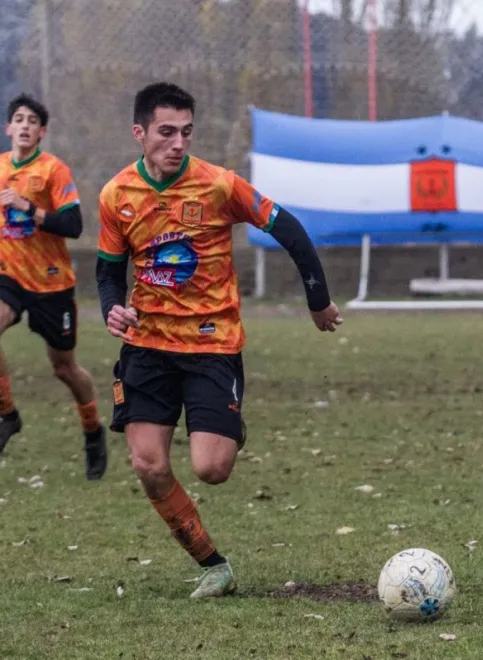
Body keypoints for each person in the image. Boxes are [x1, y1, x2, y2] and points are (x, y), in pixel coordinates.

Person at [95, 82, 343, 599]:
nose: (178, 142)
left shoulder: (219, 186)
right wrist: (111, 308)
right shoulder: (116, 196)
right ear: (140, 133)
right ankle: (213, 563)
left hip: (212, 345)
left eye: (186, 132)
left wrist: (316, 300)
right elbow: (107, 272)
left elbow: (289, 228)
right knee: (149, 464)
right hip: (147, 346)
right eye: (166, 132)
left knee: (212, 469)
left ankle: (228, 421)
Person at [0, 94, 107, 479]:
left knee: (64, 368)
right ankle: (7, 414)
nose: (25, 125)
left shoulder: (53, 170)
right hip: (8, 277)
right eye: (18, 118)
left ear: (42, 132)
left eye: (33, 120)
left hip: (51, 284)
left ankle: (93, 430)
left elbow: (74, 225)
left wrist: (27, 206)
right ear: (9, 128)